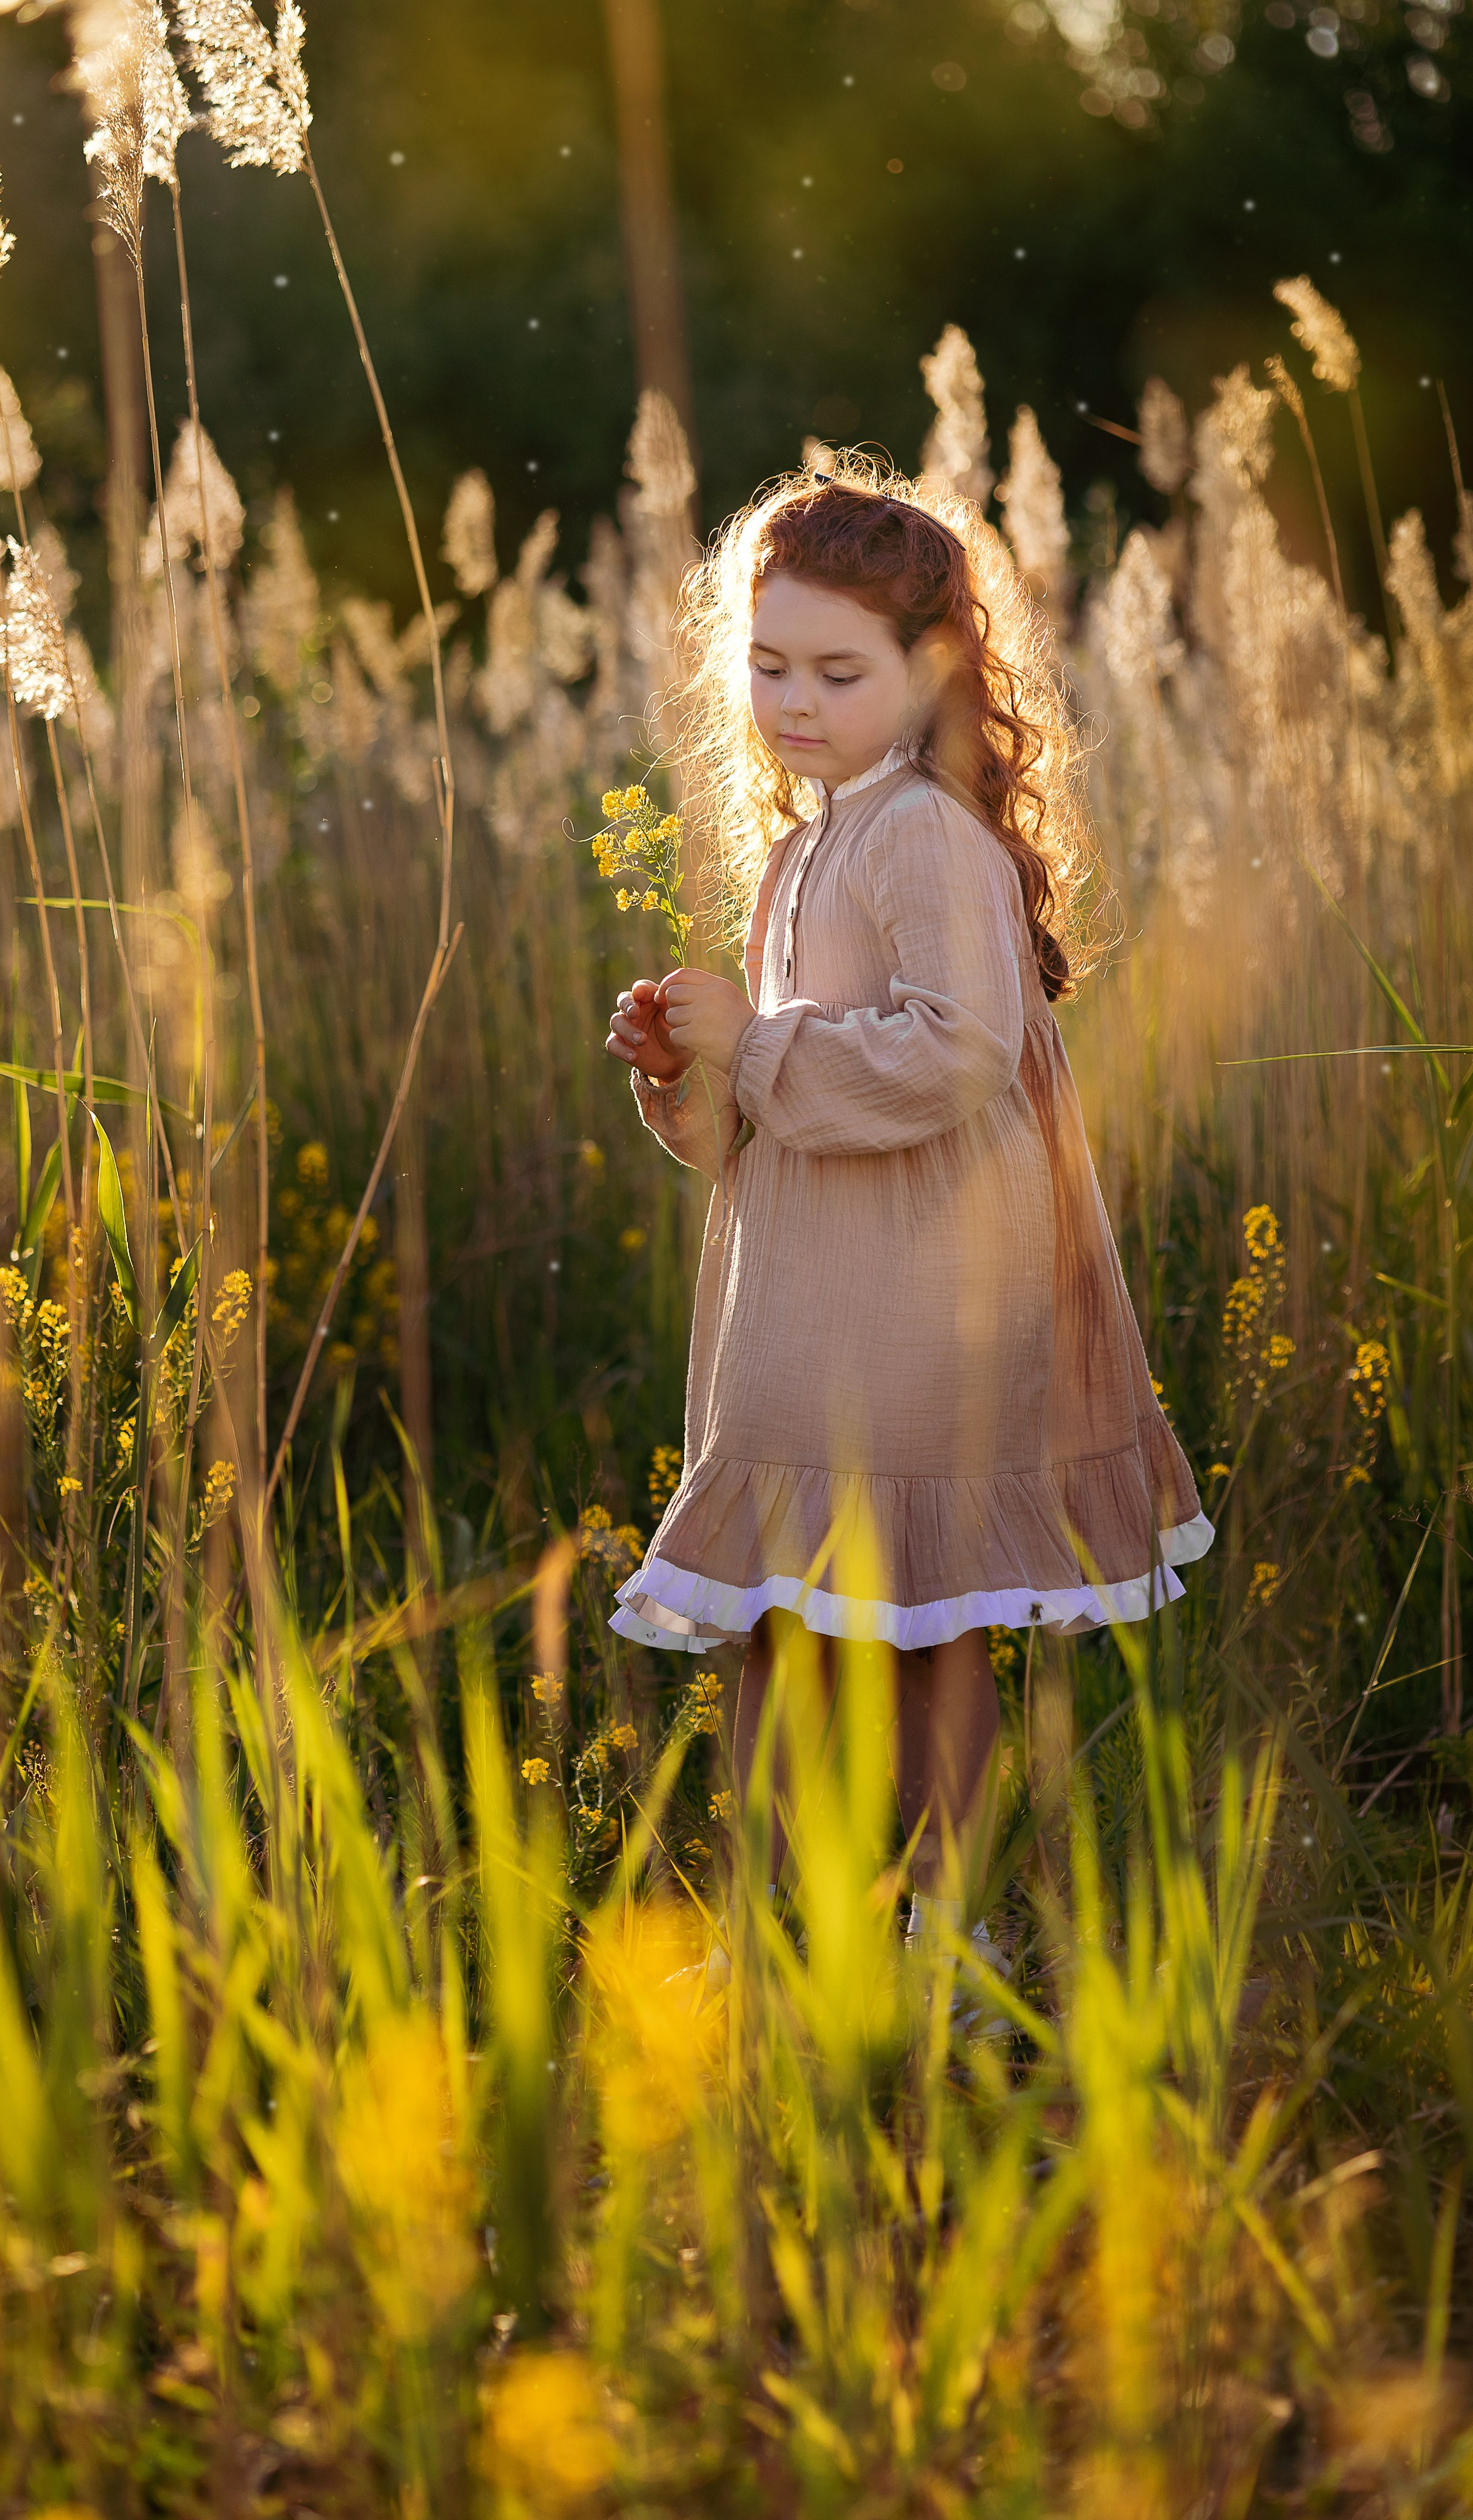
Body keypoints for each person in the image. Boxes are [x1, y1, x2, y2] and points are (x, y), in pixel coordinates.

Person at [603, 457, 1212, 1941]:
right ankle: (779, 1926)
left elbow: (956, 1051)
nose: (793, 699)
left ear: (925, 672)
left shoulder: (923, 832)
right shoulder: (807, 842)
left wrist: (749, 1044)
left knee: (925, 1631)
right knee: (780, 1623)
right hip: (809, 1299)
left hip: (927, 1298)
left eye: (834, 669)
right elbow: (771, 1111)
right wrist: (685, 1072)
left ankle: (943, 1929)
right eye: (765, 666)